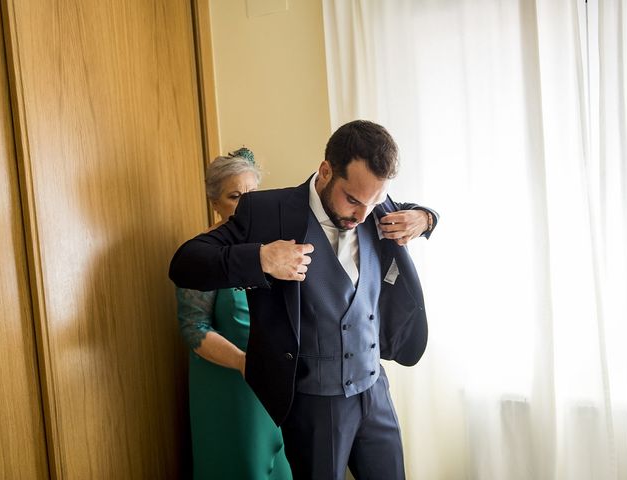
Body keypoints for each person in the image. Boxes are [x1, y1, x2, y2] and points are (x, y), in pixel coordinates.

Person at [170, 121, 438, 480]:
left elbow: (409, 212)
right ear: (326, 171)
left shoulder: (373, 205)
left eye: (373, 202)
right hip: (315, 402)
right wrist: (261, 258)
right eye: (354, 200)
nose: (363, 216)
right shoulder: (266, 212)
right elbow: (186, 262)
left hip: (374, 389)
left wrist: (426, 218)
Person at [175, 148, 292, 480]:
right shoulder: (201, 255)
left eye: (252, 195)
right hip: (230, 386)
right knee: (244, 468)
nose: (245, 205)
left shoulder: (275, 249)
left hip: (274, 382)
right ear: (215, 203)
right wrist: (245, 363)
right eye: (234, 196)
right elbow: (193, 329)